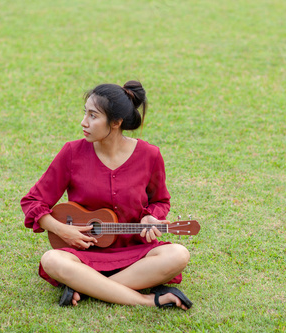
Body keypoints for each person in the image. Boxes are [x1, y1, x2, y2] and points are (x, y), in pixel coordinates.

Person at [20, 80, 192, 310]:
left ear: (116, 122)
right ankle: (145, 300)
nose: (84, 122)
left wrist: (151, 217)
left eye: (93, 116)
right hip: (84, 255)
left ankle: (87, 287)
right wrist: (63, 230)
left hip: (135, 253)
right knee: (52, 260)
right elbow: (33, 201)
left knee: (179, 254)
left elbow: (160, 200)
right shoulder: (72, 153)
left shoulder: (150, 155)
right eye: (85, 114)